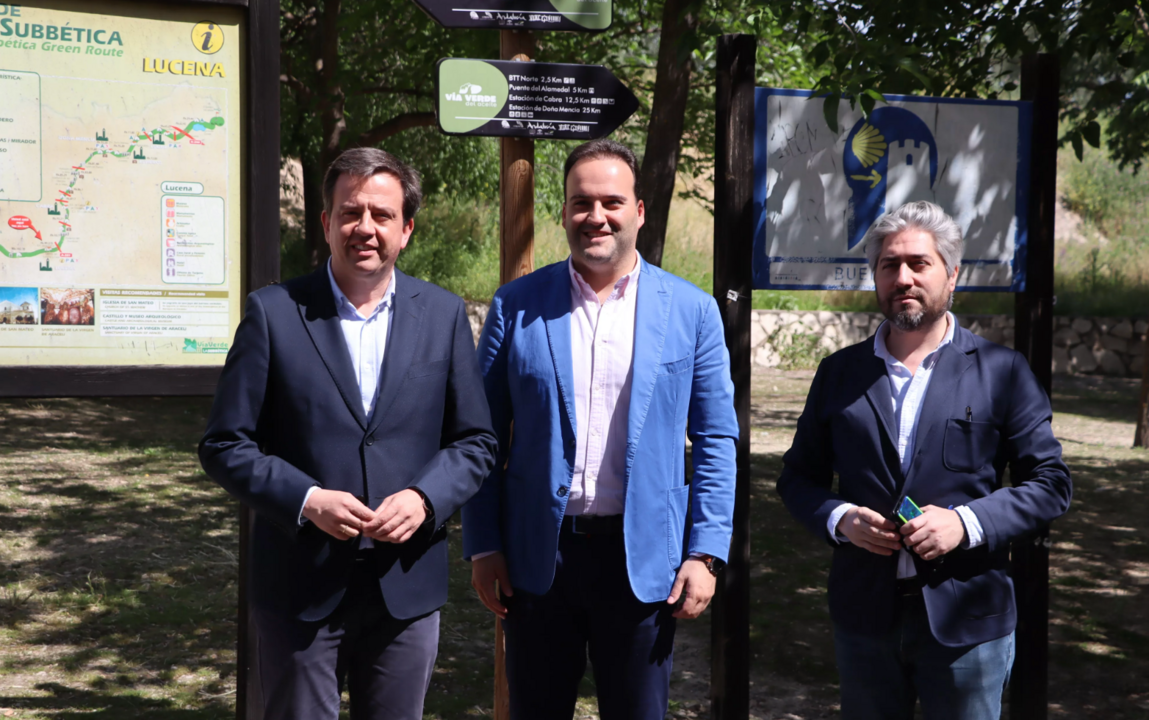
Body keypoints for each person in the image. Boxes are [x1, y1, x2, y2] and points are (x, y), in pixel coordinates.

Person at [199, 147, 497, 720]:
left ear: (406, 229)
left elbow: (475, 442)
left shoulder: (441, 314)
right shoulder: (273, 313)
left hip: (405, 586)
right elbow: (224, 444)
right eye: (350, 212)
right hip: (299, 584)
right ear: (327, 223)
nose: (365, 227)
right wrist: (307, 500)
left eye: (382, 215)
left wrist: (425, 497)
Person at [462, 139, 738, 720]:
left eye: (612, 201)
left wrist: (705, 552)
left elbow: (716, 439)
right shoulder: (516, 306)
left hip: (642, 562)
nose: (596, 216)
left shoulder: (692, 311)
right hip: (539, 559)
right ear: (562, 212)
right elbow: (482, 437)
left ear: (639, 211)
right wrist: (483, 542)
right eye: (581, 202)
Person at [776, 201, 1072, 720]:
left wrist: (967, 523)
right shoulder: (839, 373)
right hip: (865, 616)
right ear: (875, 277)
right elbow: (798, 478)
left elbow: (1050, 483)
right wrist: (839, 517)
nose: (903, 278)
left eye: (919, 263)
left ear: (952, 275)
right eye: (889, 265)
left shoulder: (1002, 371)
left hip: (968, 621)